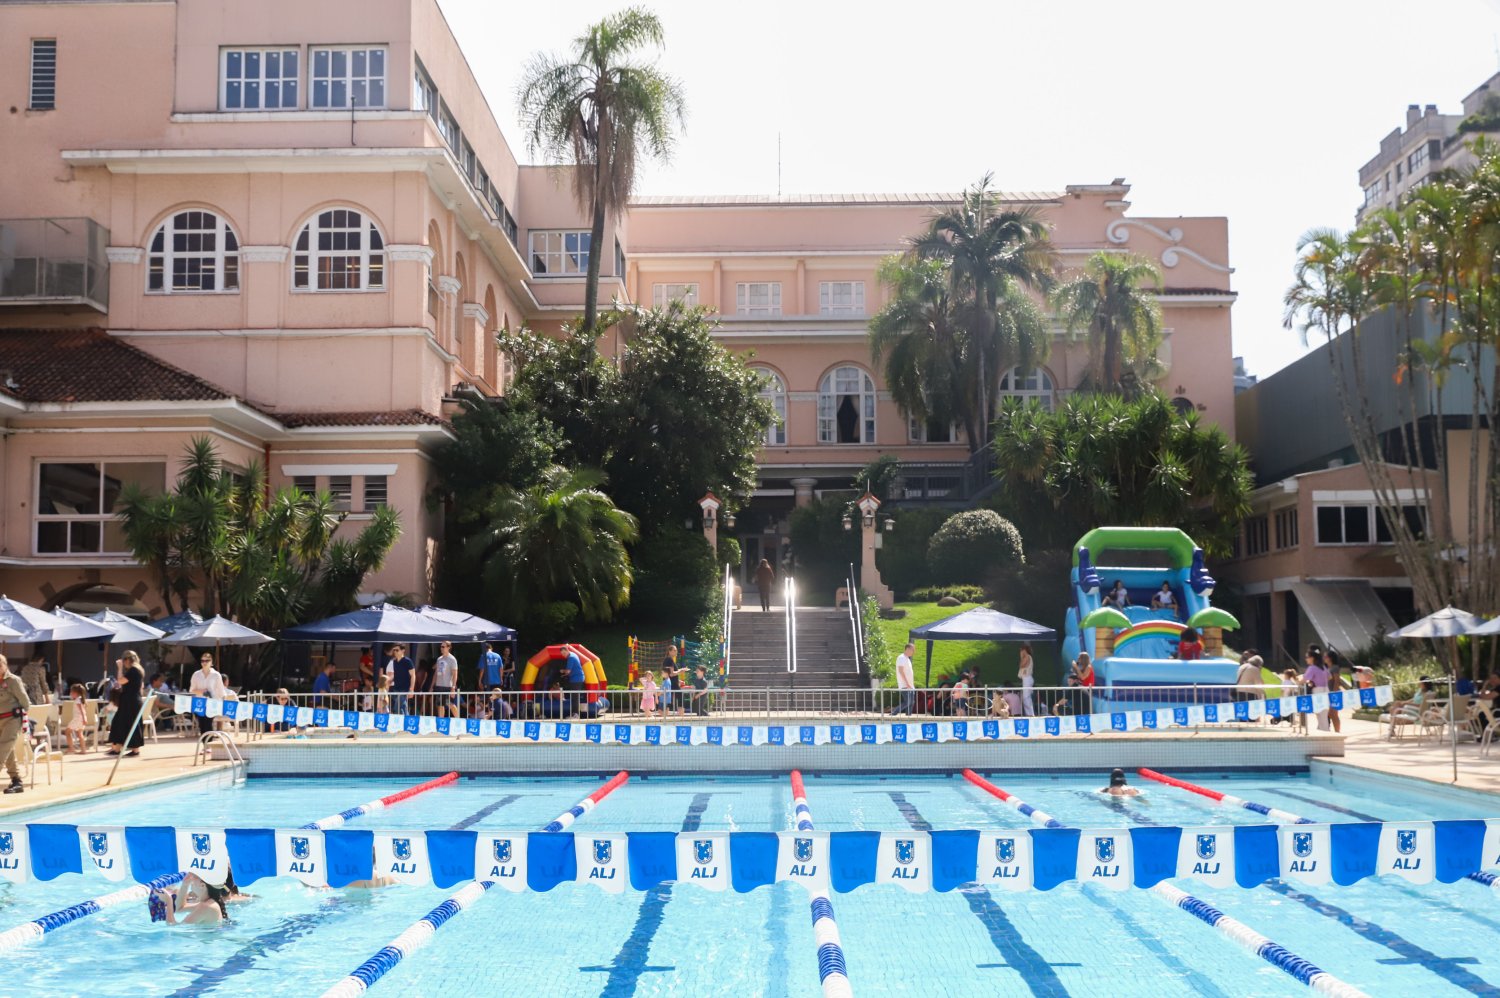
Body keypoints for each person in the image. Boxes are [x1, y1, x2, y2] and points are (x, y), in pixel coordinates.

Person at [0, 655, 32, 794]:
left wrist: (22, 719)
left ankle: (16, 780)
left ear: (4, 665)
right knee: (8, 750)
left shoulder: (13, 680)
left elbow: (25, 702)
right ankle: (16, 780)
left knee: (2, 748)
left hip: (12, 719)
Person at [107, 650, 147, 757]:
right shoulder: (138, 670)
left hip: (130, 701)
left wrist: (119, 668)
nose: (123, 663)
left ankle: (133, 750)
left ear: (128, 660)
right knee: (122, 723)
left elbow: (120, 681)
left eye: (124, 660)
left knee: (126, 723)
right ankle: (118, 748)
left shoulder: (133, 670)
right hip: (131, 700)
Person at [151, 872, 227, 926]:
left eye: (194, 876)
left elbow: (173, 926)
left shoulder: (207, 907)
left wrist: (169, 900)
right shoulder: (208, 903)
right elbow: (179, 909)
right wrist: (185, 884)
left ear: (202, 885)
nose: (191, 878)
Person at [188, 653, 227, 737]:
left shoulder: (216, 675)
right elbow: (191, 690)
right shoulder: (196, 674)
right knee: (202, 725)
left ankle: (208, 742)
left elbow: (221, 691)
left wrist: (223, 704)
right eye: (202, 660)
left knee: (208, 724)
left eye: (207, 660)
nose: (204, 662)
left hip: (212, 703)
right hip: (200, 703)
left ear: (211, 662)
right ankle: (205, 743)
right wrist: (202, 691)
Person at [1302, 644, 1331, 732]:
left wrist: (1312, 681)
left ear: (1312, 658)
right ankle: (1324, 731)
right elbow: (1329, 677)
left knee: (1320, 715)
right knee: (1323, 715)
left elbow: (1303, 680)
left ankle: (1325, 733)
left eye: (1307, 657)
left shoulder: (1312, 668)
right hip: (1325, 691)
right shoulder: (1323, 667)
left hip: (1318, 692)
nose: (1306, 659)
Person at [385, 644, 414, 716]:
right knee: (403, 707)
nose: (395, 652)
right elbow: (395, 674)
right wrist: (388, 682)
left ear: (403, 650)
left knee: (397, 707)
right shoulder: (394, 662)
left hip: (404, 689)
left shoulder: (407, 661)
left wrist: (411, 689)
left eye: (397, 650)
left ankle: (400, 720)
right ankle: (406, 720)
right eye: (394, 650)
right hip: (396, 688)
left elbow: (413, 675)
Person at [433, 641, 459, 718]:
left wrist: (453, 687)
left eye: (443, 647)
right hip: (439, 685)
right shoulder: (439, 659)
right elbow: (436, 673)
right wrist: (432, 685)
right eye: (441, 646)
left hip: (448, 686)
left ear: (449, 647)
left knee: (450, 704)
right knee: (440, 705)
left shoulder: (452, 659)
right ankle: (441, 721)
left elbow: (455, 674)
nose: (441, 648)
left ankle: (459, 720)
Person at [1323, 649, 1346, 734]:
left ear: (1330, 658)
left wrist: (1334, 693)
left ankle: (1337, 732)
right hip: (1329, 693)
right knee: (1330, 714)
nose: (1324, 658)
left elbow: (1337, 681)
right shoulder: (1327, 668)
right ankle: (1334, 731)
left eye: (1326, 656)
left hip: (1334, 694)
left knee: (1333, 714)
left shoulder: (1334, 667)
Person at [63, 683, 88, 753]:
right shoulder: (81, 700)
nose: (70, 693)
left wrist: (84, 718)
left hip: (78, 719)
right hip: (80, 719)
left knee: (67, 731)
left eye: (71, 692)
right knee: (80, 733)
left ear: (76, 693)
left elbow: (81, 710)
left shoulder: (77, 700)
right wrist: (84, 718)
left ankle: (71, 748)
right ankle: (83, 750)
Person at [894, 643, 916, 716]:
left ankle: (908, 716)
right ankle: (894, 712)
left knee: (911, 702)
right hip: (905, 685)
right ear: (908, 649)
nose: (913, 652)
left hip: (910, 686)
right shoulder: (901, 658)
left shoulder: (907, 659)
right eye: (913, 650)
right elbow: (901, 671)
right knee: (908, 702)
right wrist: (907, 683)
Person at [1016, 643, 1035, 717]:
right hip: (1026, 678)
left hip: (1027, 678)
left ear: (1024, 650)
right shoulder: (1028, 657)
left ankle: (1030, 714)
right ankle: (1030, 713)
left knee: (1026, 697)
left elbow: (1021, 665)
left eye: (1021, 650)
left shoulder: (1027, 657)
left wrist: (1021, 657)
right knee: (1027, 697)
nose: (1020, 652)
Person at [660, 646, 679, 716]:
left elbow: (669, 673)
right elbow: (671, 673)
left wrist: (678, 680)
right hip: (671, 683)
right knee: (678, 699)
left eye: (676, 650)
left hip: (670, 682)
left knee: (667, 701)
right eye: (674, 650)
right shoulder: (669, 660)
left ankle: (665, 716)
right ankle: (680, 716)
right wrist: (681, 671)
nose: (676, 652)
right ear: (669, 651)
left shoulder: (668, 660)